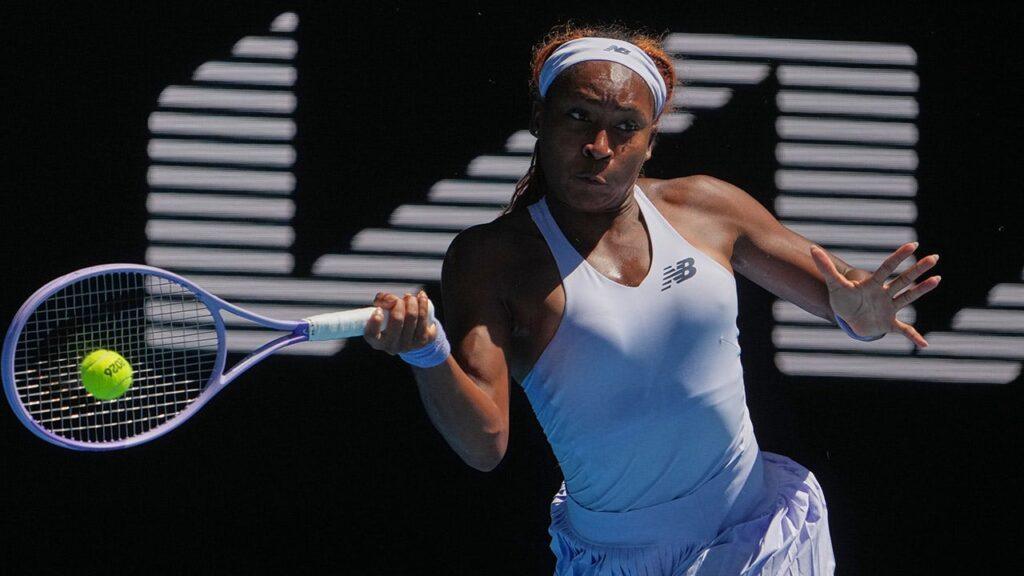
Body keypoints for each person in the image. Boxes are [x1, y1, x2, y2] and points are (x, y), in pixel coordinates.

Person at [363, 23, 941, 575]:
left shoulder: (706, 207)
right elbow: (485, 444)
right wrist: (428, 353)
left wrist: (864, 314)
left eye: (625, 127)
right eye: (578, 116)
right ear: (540, 118)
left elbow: (847, 300)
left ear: (649, 141)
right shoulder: (490, 259)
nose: (599, 146)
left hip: (755, 536)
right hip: (619, 558)